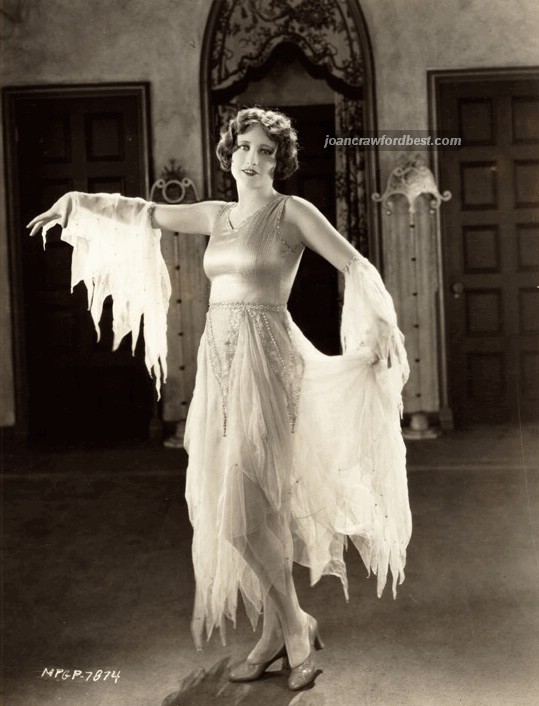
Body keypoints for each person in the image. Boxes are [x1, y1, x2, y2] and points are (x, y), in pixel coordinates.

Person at [27, 107, 411, 692]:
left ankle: (292, 630)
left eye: (265, 151)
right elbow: (145, 213)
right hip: (221, 368)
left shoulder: (292, 212)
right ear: (229, 154)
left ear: (279, 162)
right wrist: (77, 202)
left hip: (270, 367)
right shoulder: (215, 214)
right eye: (244, 148)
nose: (252, 159)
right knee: (242, 511)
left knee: (247, 511)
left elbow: (353, 262)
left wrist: (380, 323)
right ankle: (285, 627)